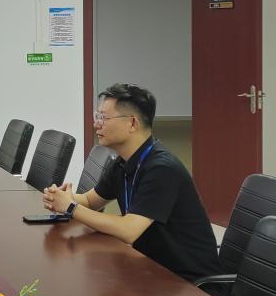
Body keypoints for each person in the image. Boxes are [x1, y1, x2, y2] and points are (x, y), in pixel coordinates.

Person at [42, 83, 222, 282]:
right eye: (97, 116)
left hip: (187, 282)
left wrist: (70, 207)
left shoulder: (162, 169)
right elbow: (91, 200)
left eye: (103, 118)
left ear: (132, 123)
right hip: (151, 267)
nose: (96, 124)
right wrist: (63, 198)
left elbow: (129, 230)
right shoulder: (123, 162)